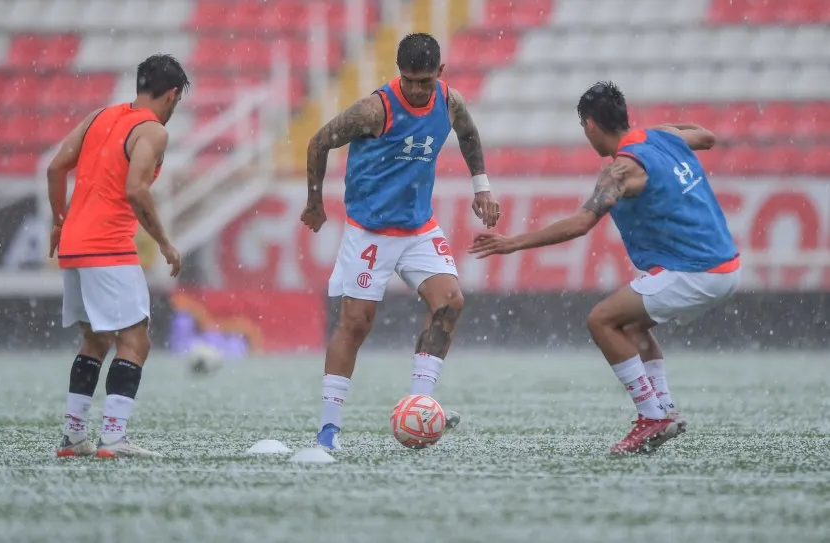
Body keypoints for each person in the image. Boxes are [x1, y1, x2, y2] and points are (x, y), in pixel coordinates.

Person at [469, 81, 740, 455]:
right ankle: (664, 409)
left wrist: (514, 243)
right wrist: (659, 134)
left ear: (591, 125)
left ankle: (652, 417)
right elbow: (706, 137)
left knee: (601, 320)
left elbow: (581, 224)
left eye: (584, 127)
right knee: (631, 325)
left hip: (697, 272)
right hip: (725, 266)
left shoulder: (620, 171)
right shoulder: (662, 136)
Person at [300, 33, 500, 451]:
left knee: (450, 302)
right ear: (399, 73)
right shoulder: (374, 109)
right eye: (409, 80)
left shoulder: (450, 102)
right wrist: (314, 202)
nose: (416, 89)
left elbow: (468, 134)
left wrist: (481, 187)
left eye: (424, 81)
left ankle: (419, 403)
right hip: (370, 231)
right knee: (356, 324)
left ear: (440, 73)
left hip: (418, 228)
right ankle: (328, 429)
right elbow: (319, 142)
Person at [48, 54, 189, 458]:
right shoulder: (153, 131)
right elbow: (135, 189)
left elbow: (55, 167)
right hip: (108, 246)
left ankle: (74, 436)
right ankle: (113, 436)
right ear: (172, 94)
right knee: (135, 340)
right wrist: (164, 242)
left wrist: (59, 221)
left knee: (95, 339)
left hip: (74, 245)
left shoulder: (99, 116)